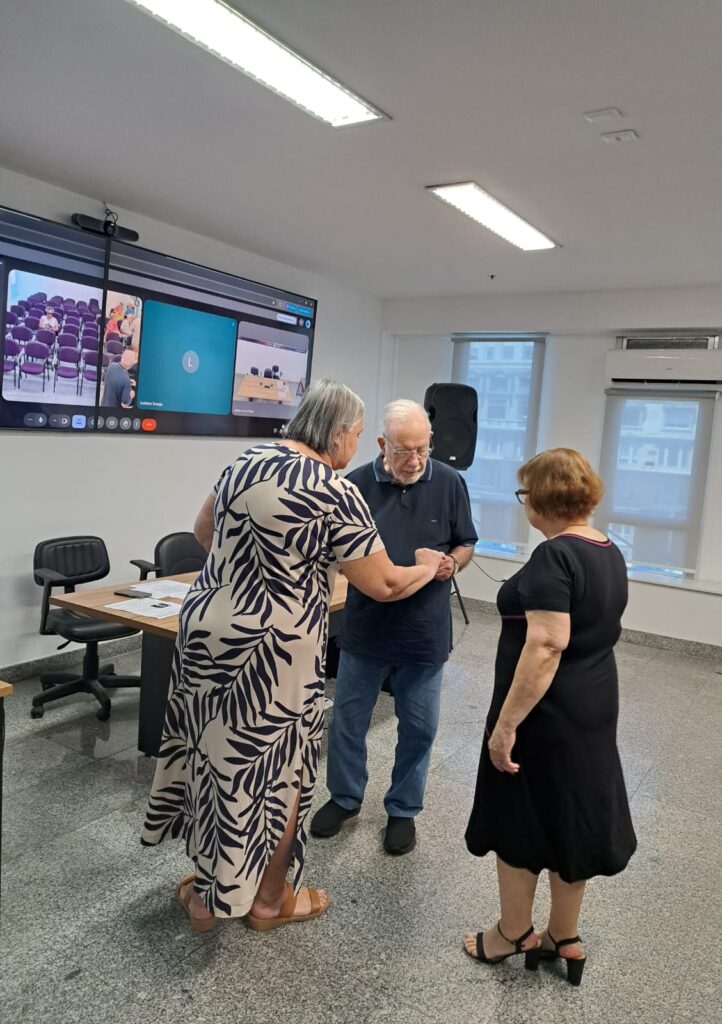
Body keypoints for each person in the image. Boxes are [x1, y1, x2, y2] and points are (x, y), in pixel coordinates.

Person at [141, 380, 443, 932]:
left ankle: (206, 897)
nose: (356, 445)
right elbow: (384, 584)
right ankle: (269, 900)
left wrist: (254, 572)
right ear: (338, 433)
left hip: (206, 633)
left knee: (212, 759)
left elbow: (204, 532)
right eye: (357, 434)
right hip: (275, 651)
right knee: (282, 773)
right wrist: (426, 567)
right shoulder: (333, 491)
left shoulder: (246, 461)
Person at [463, 448, 636, 986]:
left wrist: (506, 726)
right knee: (569, 814)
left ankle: (512, 933)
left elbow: (546, 644)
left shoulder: (553, 556)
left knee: (520, 817)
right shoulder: (607, 550)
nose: (523, 504)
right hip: (593, 704)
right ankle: (565, 935)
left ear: (540, 500)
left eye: (524, 495)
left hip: (546, 713)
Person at [310, 399, 477, 855]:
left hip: (424, 633)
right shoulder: (355, 486)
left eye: (423, 449)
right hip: (366, 629)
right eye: (404, 451)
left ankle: (403, 810)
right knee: (347, 722)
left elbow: (466, 542)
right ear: (383, 444)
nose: (416, 460)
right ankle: (344, 798)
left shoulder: (449, 481)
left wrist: (452, 563)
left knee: (419, 728)